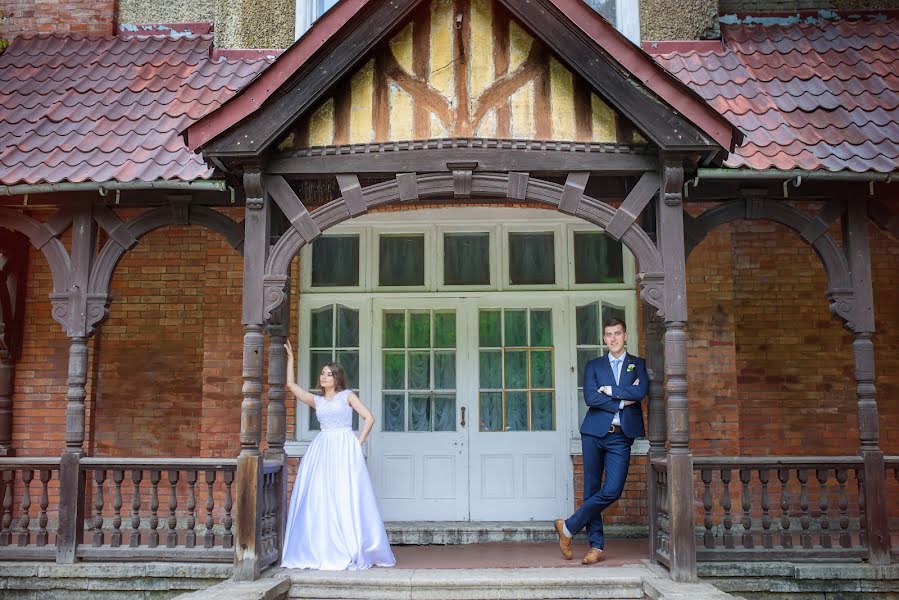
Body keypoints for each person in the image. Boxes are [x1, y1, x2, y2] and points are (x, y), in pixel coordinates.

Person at [281, 340, 396, 570]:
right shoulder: (318, 400)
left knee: (346, 494)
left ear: (337, 378)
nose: (324, 377)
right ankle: (321, 548)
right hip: (322, 450)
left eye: (329, 374)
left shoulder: (347, 396)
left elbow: (369, 417)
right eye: (322, 373)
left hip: (344, 448)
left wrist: (357, 443)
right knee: (321, 497)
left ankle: (351, 545)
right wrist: (291, 359)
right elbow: (291, 386)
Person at [555, 317, 648, 565]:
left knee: (612, 490)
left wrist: (609, 390)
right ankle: (596, 546)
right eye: (608, 334)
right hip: (594, 434)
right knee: (591, 489)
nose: (613, 338)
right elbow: (590, 398)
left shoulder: (637, 365)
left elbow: (640, 393)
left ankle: (568, 527)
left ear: (625, 336)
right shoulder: (594, 365)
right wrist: (621, 399)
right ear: (604, 338)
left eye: (617, 333)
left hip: (621, 436)